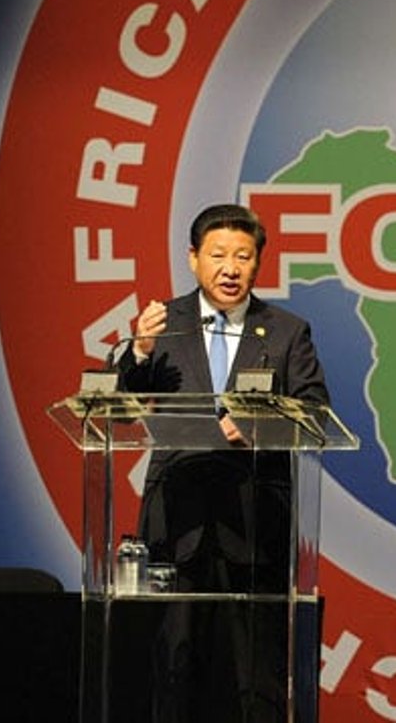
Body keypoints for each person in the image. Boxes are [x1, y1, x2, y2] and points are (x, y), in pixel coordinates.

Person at [115, 202, 331, 722]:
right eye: (217, 255)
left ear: (259, 263)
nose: (230, 268)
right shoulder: (161, 324)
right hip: (178, 518)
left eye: (243, 256)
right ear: (193, 259)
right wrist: (140, 350)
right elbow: (119, 408)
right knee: (174, 665)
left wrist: (256, 427)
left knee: (255, 676)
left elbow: (317, 415)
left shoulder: (285, 331)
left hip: (255, 520)